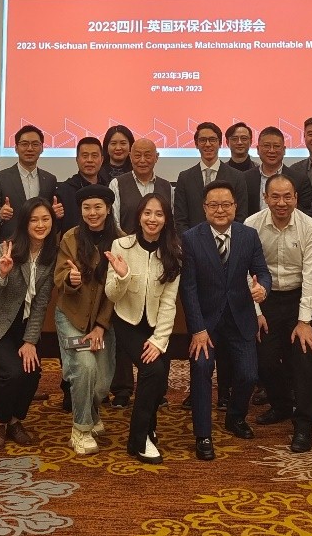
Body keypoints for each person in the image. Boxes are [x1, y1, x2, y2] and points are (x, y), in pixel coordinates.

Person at [180, 181, 271, 461]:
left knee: (249, 374)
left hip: (240, 317)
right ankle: (203, 434)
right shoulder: (191, 238)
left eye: (226, 204)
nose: (220, 210)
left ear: (235, 206)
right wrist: (197, 329)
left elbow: (262, 272)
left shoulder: (248, 235)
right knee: (202, 370)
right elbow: (188, 288)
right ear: (204, 208)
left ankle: (235, 417)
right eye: (214, 205)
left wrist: (263, 288)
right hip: (205, 323)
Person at [245, 174, 312, 453]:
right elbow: (247, 272)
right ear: (265, 198)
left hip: (299, 298)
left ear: (296, 198)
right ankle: (280, 405)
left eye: (287, 197)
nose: (282, 203)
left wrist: (304, 321)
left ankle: (304, 424)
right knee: (265, 360)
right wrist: (256, 311)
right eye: (275, 197)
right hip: (264, 299)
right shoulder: (252, 225)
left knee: (304, 360)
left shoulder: (310, 227)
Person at [0, 198, 56, 451]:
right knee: (13, 373)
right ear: (24, 223)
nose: (40, 225)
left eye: (45, 219)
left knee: (32, 373)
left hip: (24, 325)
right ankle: (0, 422)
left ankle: (16, 420)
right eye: (34, 220)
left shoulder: (51, 255)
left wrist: (30, 341)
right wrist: (2, 274)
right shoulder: (7, 248)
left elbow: (41, 303)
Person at [104, 192, 182, 464]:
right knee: (153, 370)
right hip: (127, 321)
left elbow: (169, 302)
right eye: (147, 213)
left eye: (159, 214)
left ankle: (148, 426)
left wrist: (160, 340)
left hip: (156, 325)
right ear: (139, 216)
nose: (152, 219)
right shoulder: (121, 245)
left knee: (159, 379)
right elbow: (112, 295)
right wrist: (123, 276)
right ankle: (138, 439)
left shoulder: (174, 252)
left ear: (166, 219)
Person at [54, 185, 122, 455]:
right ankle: (80, 429)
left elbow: (118, 291)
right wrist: (70, 280)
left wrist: (101, 326)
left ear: (108, 209)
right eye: (86, 208)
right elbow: (59, 276)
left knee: (102, 383)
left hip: (103, 321)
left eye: (98, 207)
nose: (92, 213)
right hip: (71, 316)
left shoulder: (121, 240)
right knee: (84, 368)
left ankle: (92, 411)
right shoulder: (70, 237)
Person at [0, 125, 58, 241]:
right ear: (16, 148)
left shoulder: (50, 180)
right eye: (24, 144)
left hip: (41, 244)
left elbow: (50, 215)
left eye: (35, 144)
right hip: (10, 244)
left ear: (42, 148)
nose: (30, 149)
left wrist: (55, 213)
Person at [173, 121, 248, 233]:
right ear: (196, 144)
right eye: (203, 140)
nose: (208, 144)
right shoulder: (185, 177)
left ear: (220, 143)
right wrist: (190, 240)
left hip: (228, 240)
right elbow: (180, 219)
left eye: (212, 140)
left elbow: (241, 216)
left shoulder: (237, 177)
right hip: (193, 241)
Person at [244, 126, 312, 215]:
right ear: (258, 149)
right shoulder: (245, 178)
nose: (271, 151)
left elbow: (305, 214)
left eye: (276, 146)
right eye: (266, 146)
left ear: (284, 150)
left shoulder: (300, 180)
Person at [108, 138, 172, 232]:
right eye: (137, 156)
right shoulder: (116, 184)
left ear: (156, 157)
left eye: (147, 156)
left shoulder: (167, 187)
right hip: (125, 240)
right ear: (130, 157)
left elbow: (171, 221)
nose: (142, 160)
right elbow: (114, 223)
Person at [56, 136, 105, 231]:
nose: (90, 160)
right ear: (77, 159)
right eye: (85, 156)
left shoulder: (108, 187)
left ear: (102, 160)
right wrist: (54, 216)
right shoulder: (64, 190)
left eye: (94, 156)